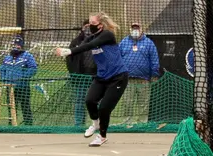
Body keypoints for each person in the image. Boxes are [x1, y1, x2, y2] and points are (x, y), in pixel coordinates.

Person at [55, 12, 129, 147]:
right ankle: (95, 124)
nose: (90, 26)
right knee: (89, 100)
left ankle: (102, 136)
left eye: (93, 24)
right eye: (89, 24)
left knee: (104, 108)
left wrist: (69, 51)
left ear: (101, 25)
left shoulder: (107, 35)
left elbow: (90, 45)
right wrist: (67, 50)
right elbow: (81, 47)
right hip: (102, 77)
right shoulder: (91, 37)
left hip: (117, 77)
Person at [119, 23, 160, 123]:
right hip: (127, 79)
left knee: (143, 103)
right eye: (133, 28)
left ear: (141, 29)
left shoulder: (149, 43)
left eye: (137, 28)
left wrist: (154, 74)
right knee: (127, 102)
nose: (135, 30)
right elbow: (118, 59)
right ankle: (126, 122)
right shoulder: (124, 42)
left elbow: (154, 59)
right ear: (130, 29)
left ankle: (142, 123)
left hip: (144, 79)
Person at [0, 35, 37, 126]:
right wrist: (5, 80)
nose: (16, 46)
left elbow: (33, 68)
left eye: (18, 44)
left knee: (25, 106)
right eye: (15, 44)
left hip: (22, 87)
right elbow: (2, 69)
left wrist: (23, 77)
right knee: (11, 107)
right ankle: (12, 123)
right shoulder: (8, 57)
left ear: (21, 46)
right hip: (10, 87)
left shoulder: (27, 56)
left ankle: (28, 125)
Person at [67, 19, 97, 126]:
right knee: (79, 101)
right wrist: (74, 74)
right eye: (86, 26)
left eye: (90, 26)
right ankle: (79, 123)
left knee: (95, 101)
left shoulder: (98, 40)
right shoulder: (76, 42)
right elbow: (69, 60)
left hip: (95, 76)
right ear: (82, 28)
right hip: (80, 77)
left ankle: (97, 123)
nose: (88, 29)